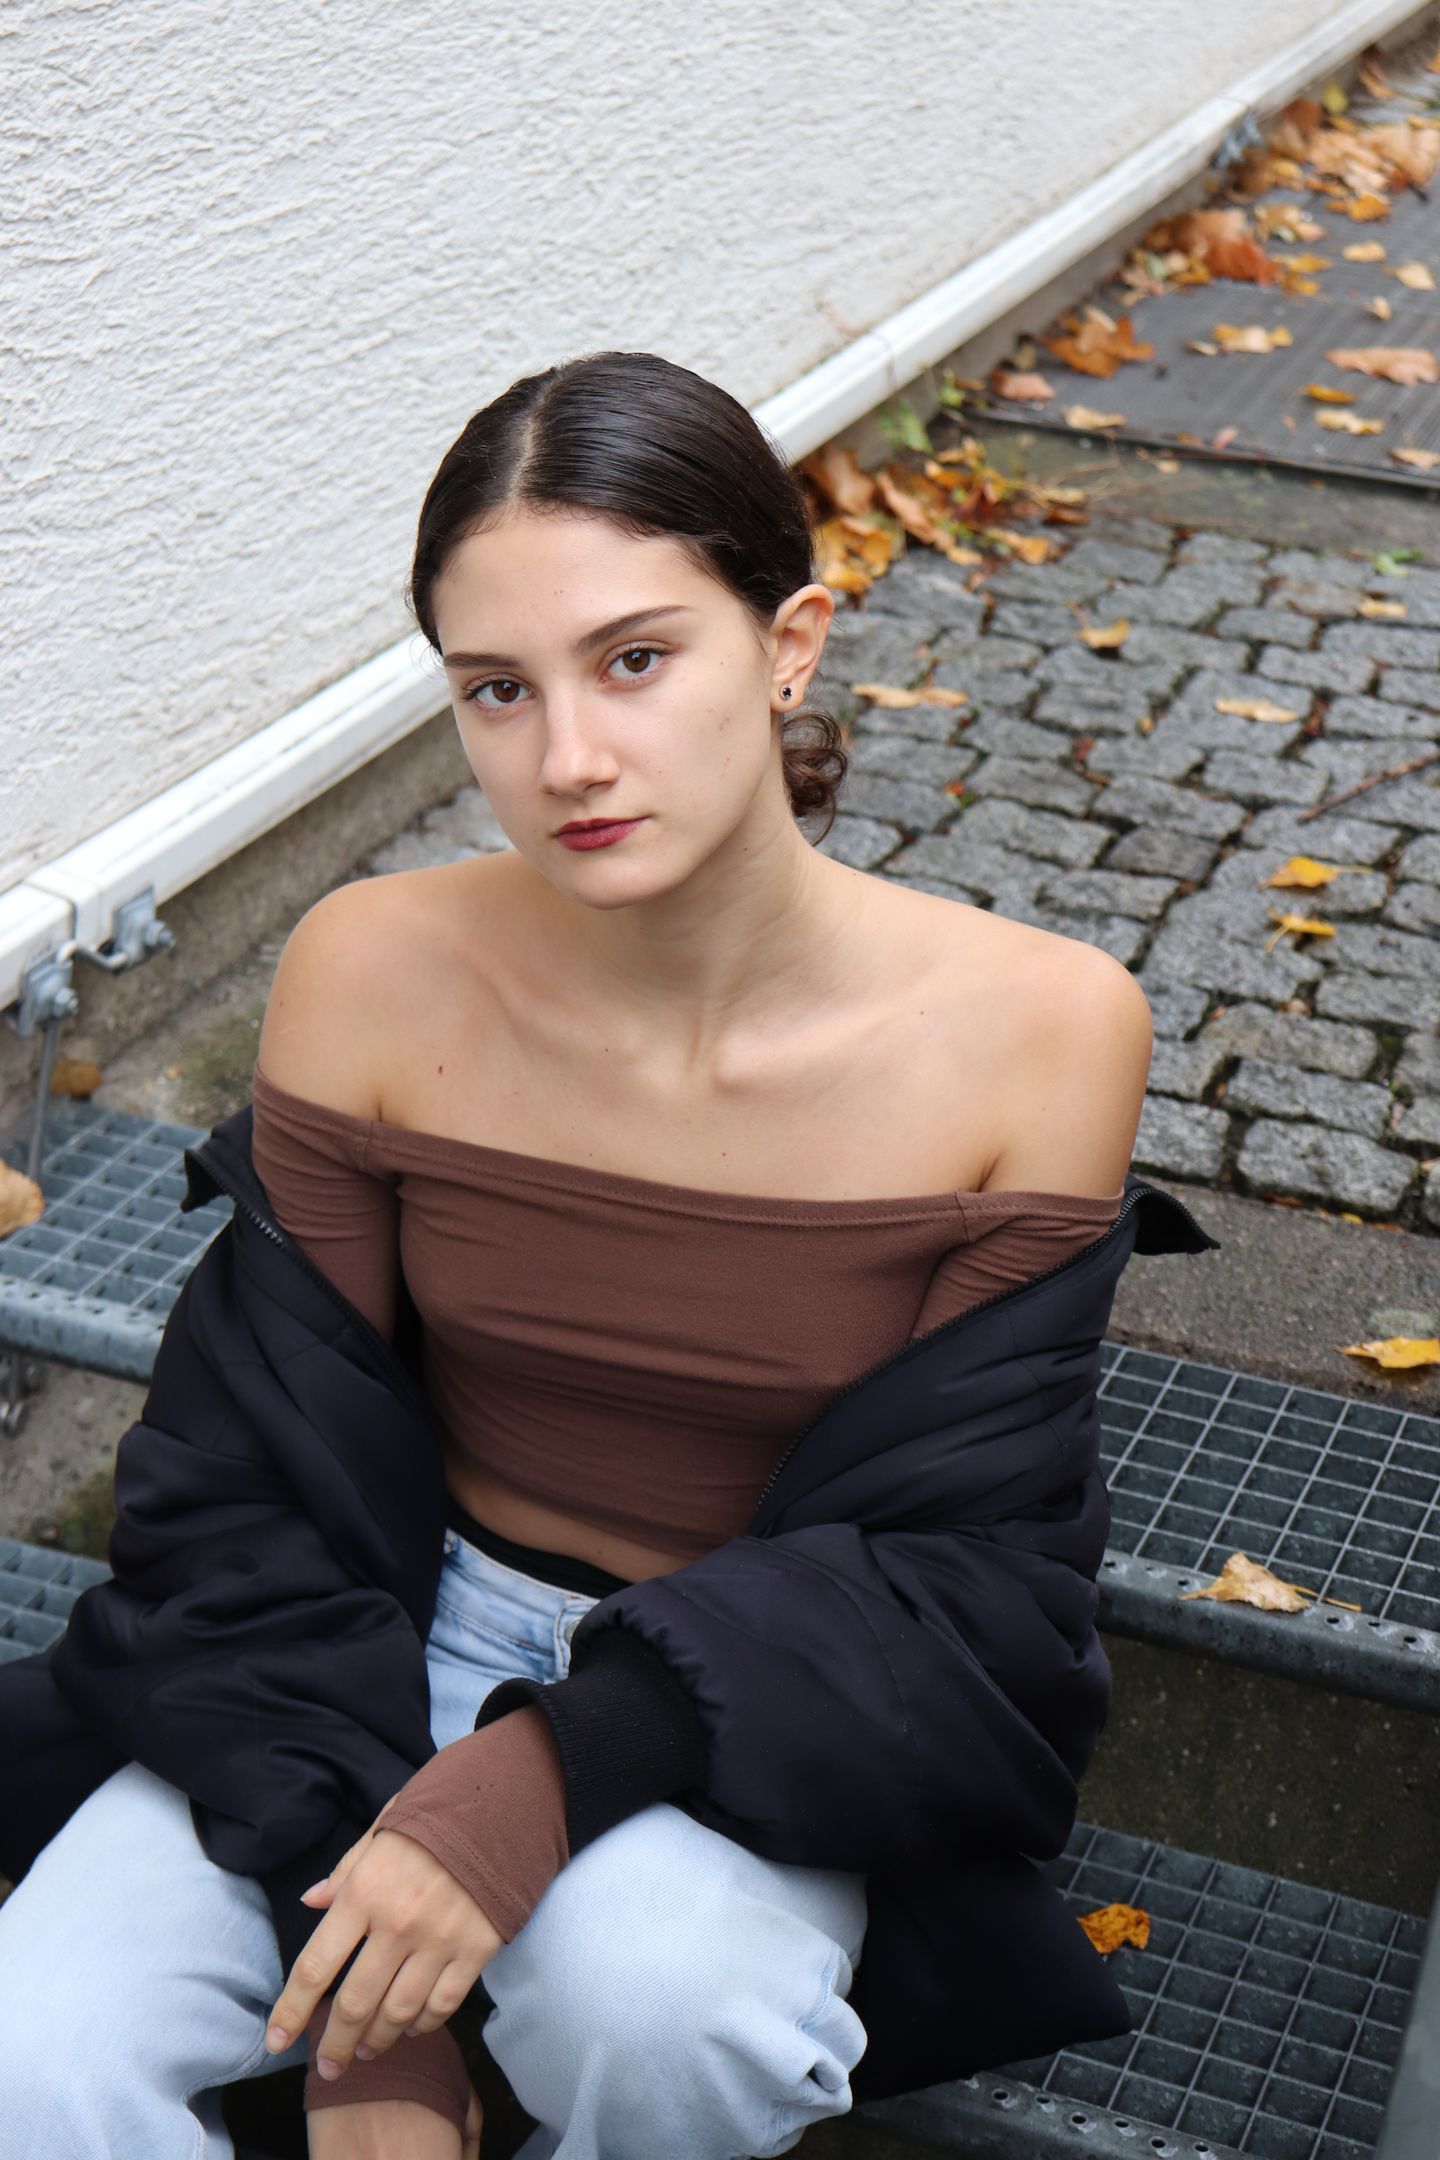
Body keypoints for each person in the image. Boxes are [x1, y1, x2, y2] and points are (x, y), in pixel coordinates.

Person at [0, 349, 1186, 2160]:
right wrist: (366, 2027)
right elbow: (249, 1460)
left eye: (635, 659)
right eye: (498, 688)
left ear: (790, 643)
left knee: (668, 2015)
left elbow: (968, 1568)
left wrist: (546, 1771)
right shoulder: (371, 969)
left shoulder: (1042, 1031)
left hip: (749, 1693)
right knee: (37, 2049)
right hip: (359, 1629)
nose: (565, 759)